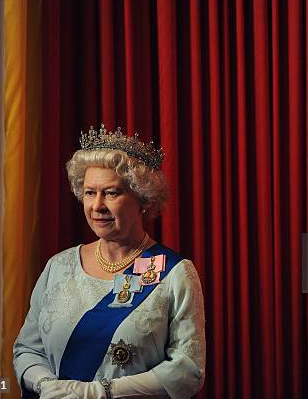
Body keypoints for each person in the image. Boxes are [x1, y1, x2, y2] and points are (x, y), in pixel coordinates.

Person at [14, 126, 205, 398]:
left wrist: (98, 392)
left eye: (111, 193)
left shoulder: (174, 273)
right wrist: (49, 386)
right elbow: (28, 349)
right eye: (90, 193)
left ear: (142, 200)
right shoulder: (59, 266)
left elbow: (187, 371)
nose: (97, 205)